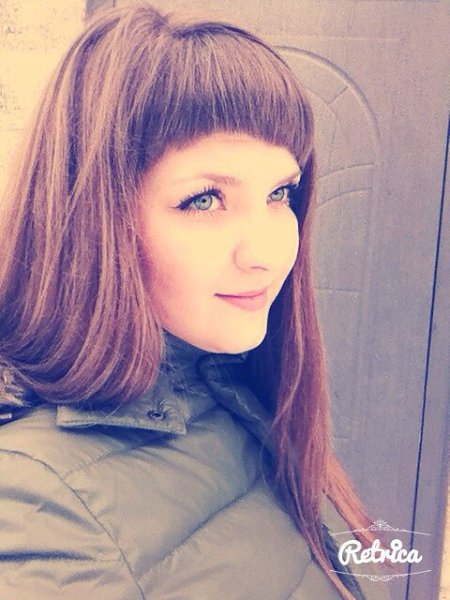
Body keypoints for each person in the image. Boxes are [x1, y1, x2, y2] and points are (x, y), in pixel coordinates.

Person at [0, 4, 392, 599]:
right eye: (205, 199)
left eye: (279, 193)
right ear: (94, 217)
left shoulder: (233, 385)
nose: (266, 254)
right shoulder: (40, 506)